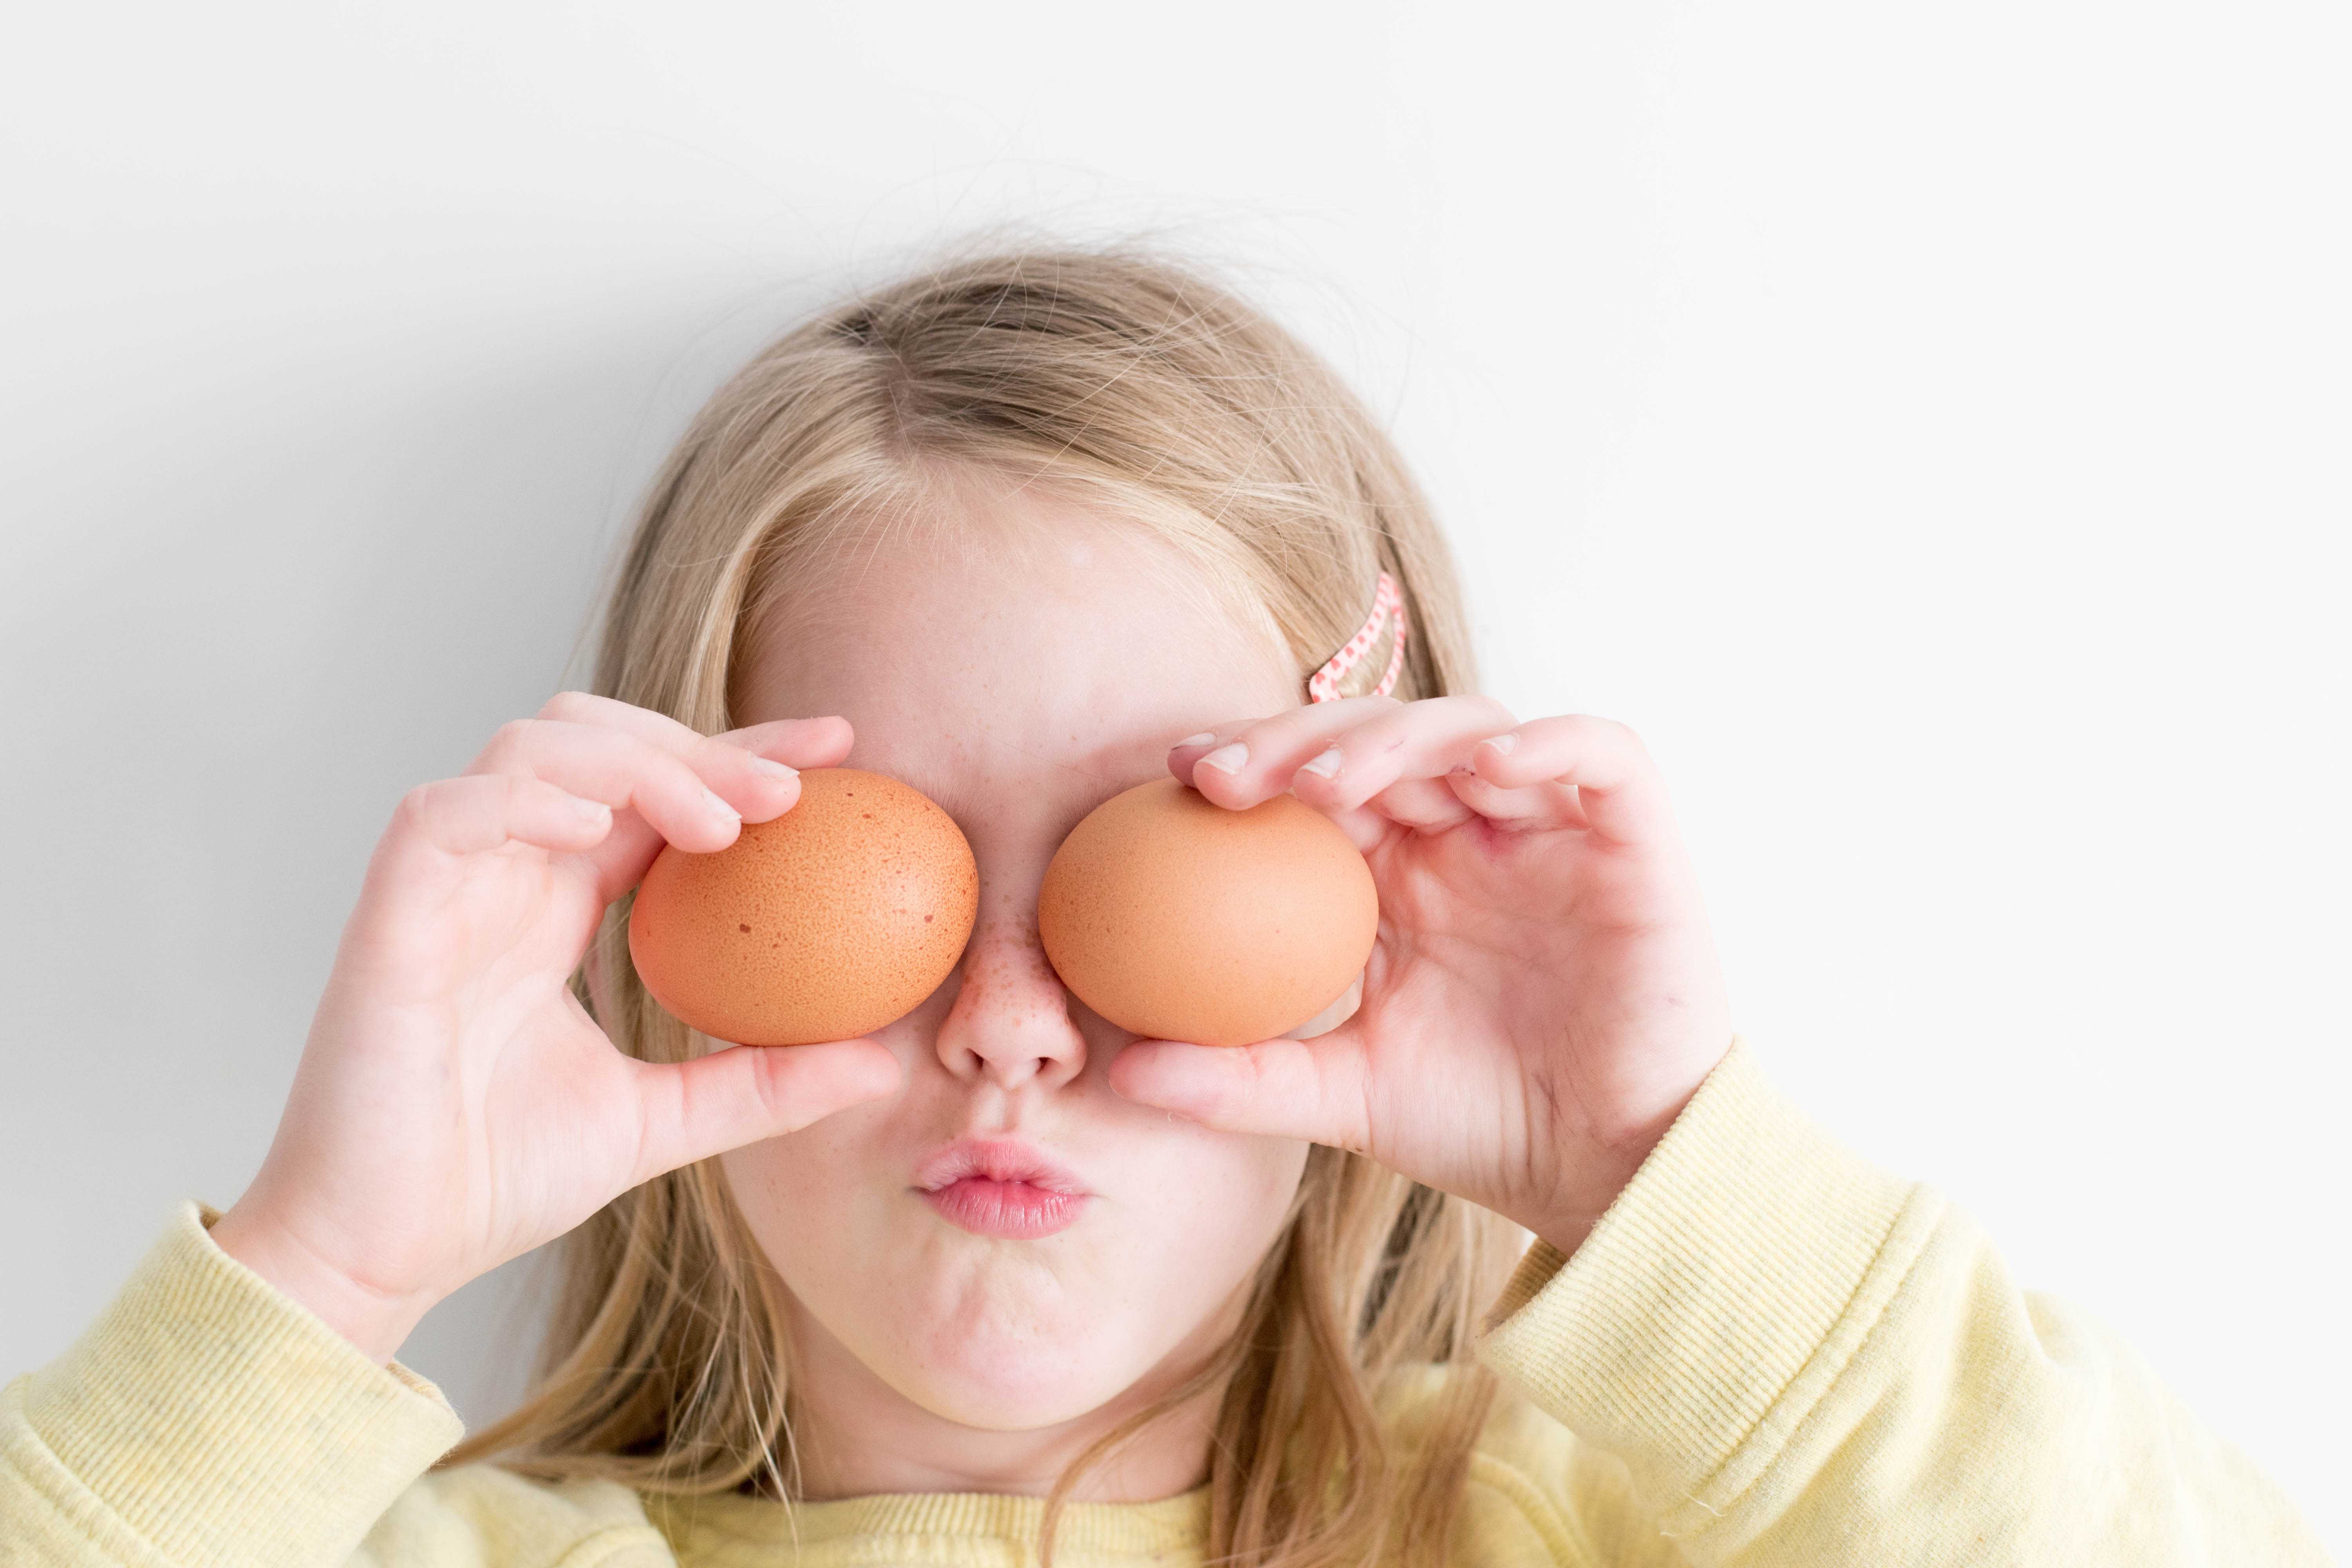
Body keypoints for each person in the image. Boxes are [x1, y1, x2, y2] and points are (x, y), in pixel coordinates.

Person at [1, 247, 2330, 1568]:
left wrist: (1662, 1176)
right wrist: (328, 1268)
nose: (1015, 1023)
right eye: (881, 878)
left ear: (1369, 898)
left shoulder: (1640, 1532)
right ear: (658, 919)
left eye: (1160, 863)